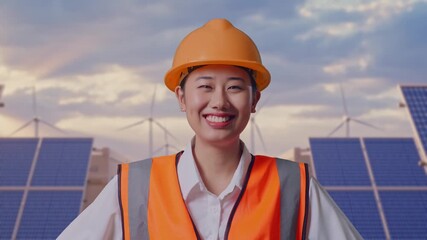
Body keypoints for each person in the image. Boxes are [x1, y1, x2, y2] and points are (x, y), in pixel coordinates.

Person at [58, 18, 362, 240]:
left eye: (234, 87)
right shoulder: (133, 188)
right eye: (205, 86)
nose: (219, 101)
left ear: (255, 99)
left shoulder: (295, 187)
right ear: (181, 97)